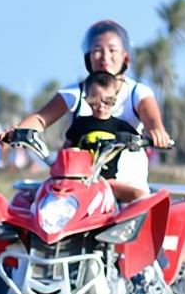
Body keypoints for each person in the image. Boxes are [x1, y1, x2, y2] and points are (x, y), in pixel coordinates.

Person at [3, 19, 172, 190]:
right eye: (97, 50)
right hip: (79, 185)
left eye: (112, 50)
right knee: (28, 199)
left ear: (125, 57)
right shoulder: (75, 93)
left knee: (137, 199)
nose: (105, 57)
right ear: (88, 57)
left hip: (126, 188)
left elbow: (151, 117)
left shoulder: (138, 92)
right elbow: (40, 119)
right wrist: (17, 132)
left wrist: (157, 131)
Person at [62, 71, 148, 201]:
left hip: (107, 182)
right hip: (78, 181)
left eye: (108, 100)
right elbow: (65, 150)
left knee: (140, 196)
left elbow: (140, 141)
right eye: (95, 101)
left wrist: (153, 140)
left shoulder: (121, 127)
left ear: (115, 99)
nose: (101, 106)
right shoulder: (79, 125)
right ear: (87, 98)